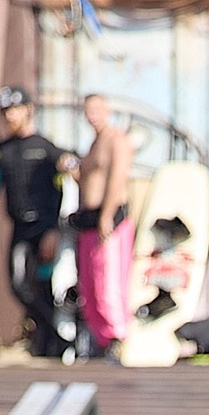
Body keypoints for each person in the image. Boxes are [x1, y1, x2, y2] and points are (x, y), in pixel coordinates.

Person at [0, 86, 73, 359]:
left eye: (15, 110)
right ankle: (52, 335)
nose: (11, 116)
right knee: (19, 285)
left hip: (44, 228)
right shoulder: (3, 150)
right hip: (20, 227)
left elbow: (63, 175)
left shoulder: (44, 147)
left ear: (28, 110)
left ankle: (50, 344)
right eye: (6, 112)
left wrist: (53, 230)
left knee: (43, 285)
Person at [73, 91, 137, 356]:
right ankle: (100, 340)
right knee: (89, 285)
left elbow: (118, 177)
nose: (92, 116)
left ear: (108, 111)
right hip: (89, 220)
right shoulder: (93, 143)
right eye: (88, 111)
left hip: (108, 219)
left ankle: (116, 338)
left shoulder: (116, 139)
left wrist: (107, 215)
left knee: (107, 281)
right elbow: (89, 182)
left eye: (97, 110)